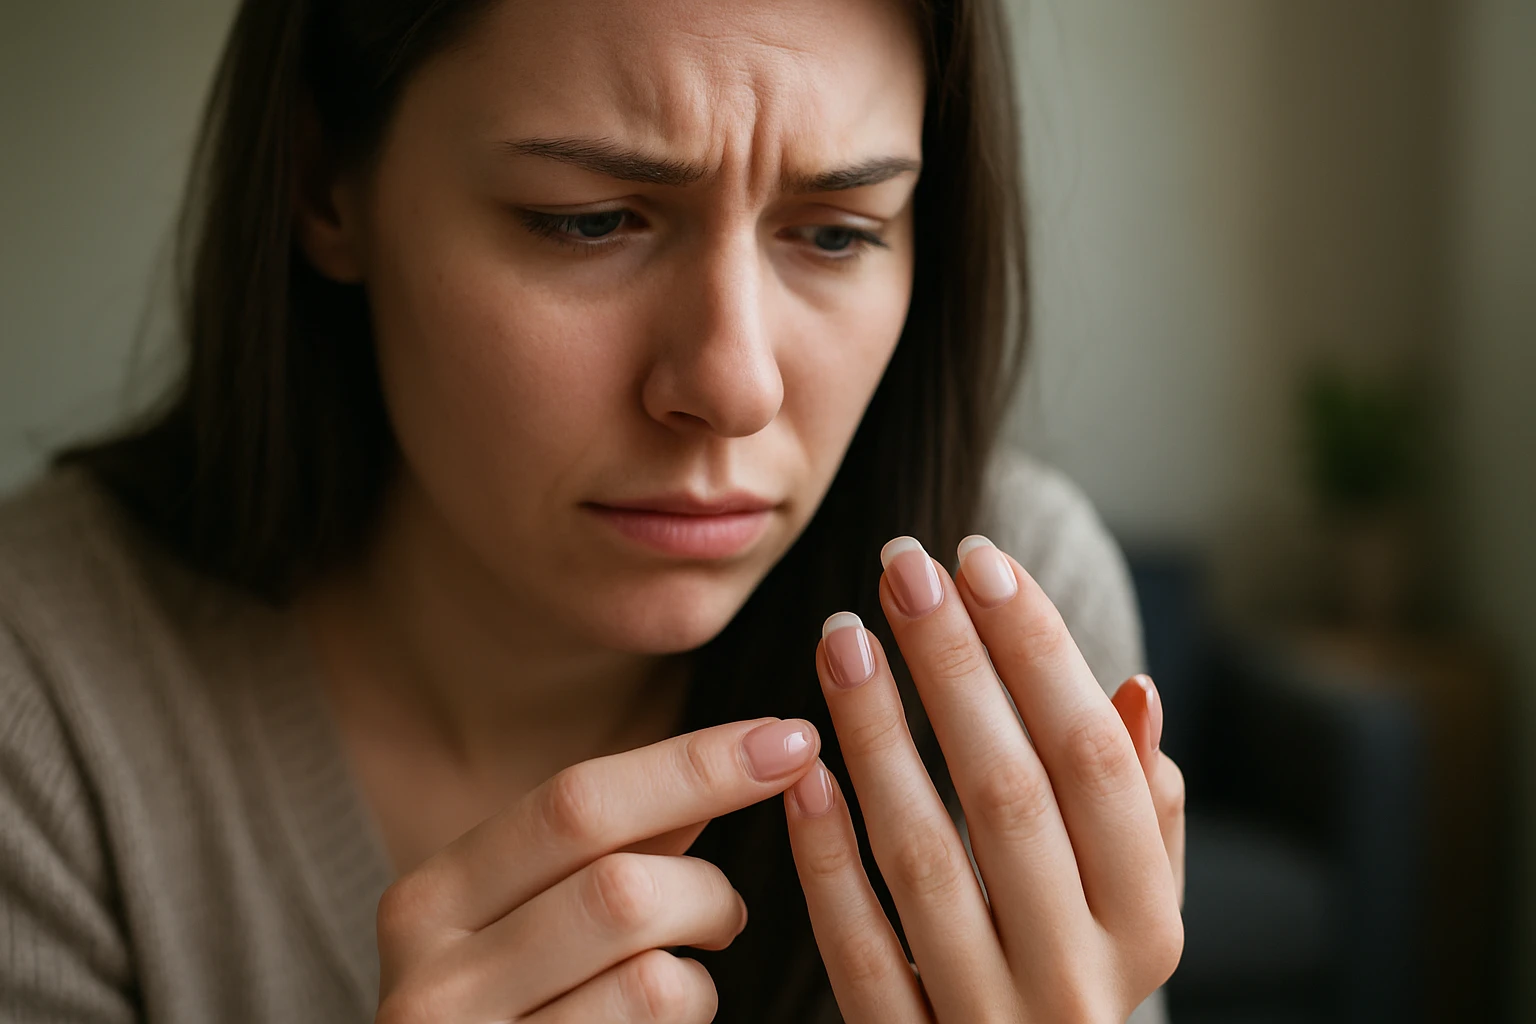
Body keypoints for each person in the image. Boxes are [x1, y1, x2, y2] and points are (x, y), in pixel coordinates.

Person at [0, 0, 1186, 1020]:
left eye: (836, 233)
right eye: (589, 219)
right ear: (325, 185)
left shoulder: (1011, 629)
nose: (735, 386)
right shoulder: (44, 698)